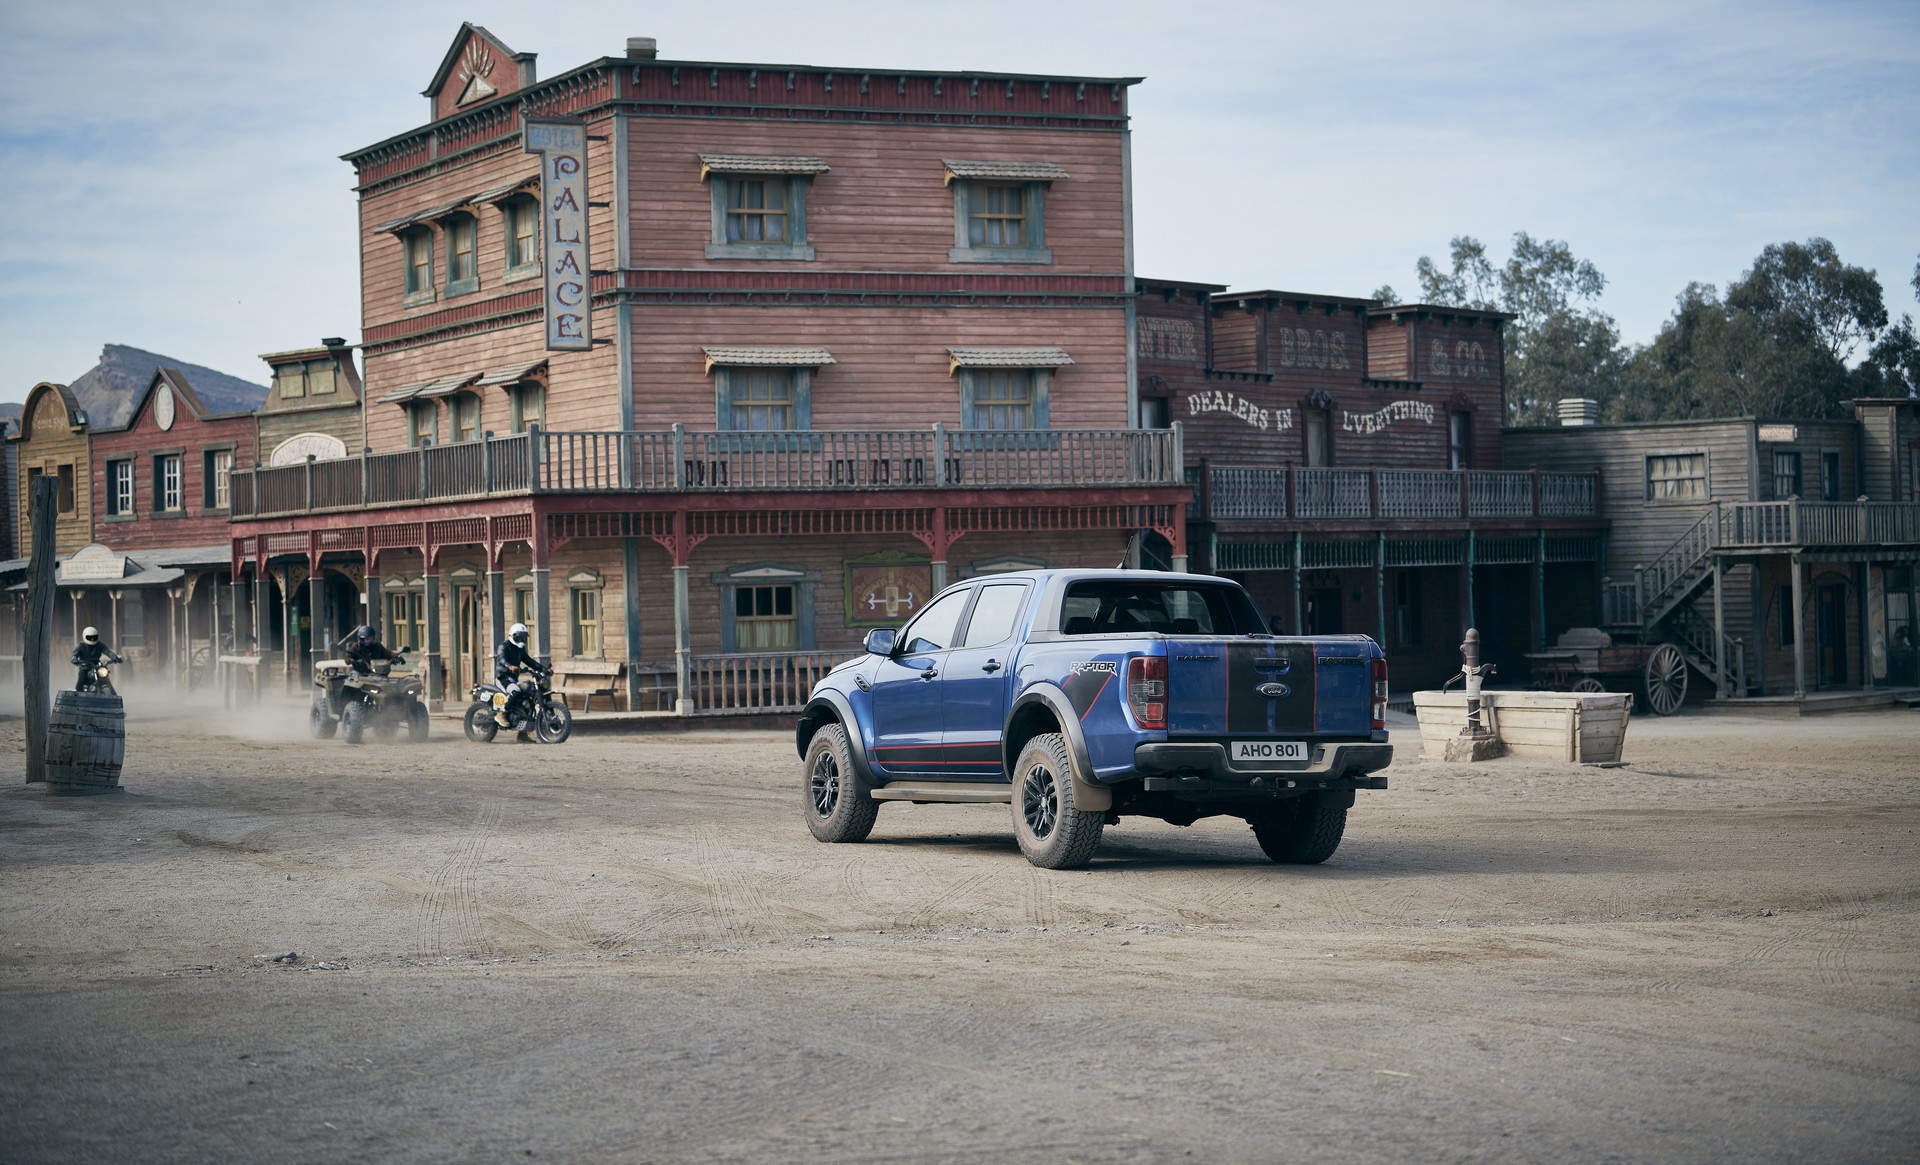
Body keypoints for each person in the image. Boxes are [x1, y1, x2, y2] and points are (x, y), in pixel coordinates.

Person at [494, 623, 547, 730]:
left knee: (526, 697)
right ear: (514, 636)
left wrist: (544, 669)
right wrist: (509, 666)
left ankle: (522, 733)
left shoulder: (520, 650)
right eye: (520, 637)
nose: (522, 640)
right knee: (516, 691)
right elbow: (502, 659)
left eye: (524, 637)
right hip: (502, 678)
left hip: (513, 679)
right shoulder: (504, 646)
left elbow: (530, 661)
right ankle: (501, 713)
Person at [71, 627, 123, 692]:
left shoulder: (99, 644)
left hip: (97, 666)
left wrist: (115, 658)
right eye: (90, 637)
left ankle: (113, 694)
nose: (92, 639)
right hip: (85, 667)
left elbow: (108, 651)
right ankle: (77, 693)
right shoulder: (81, 646)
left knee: (105, 678)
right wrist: (75, 660)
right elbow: (74, 655)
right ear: (84, 636)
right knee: (81, 679)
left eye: (94, 637)